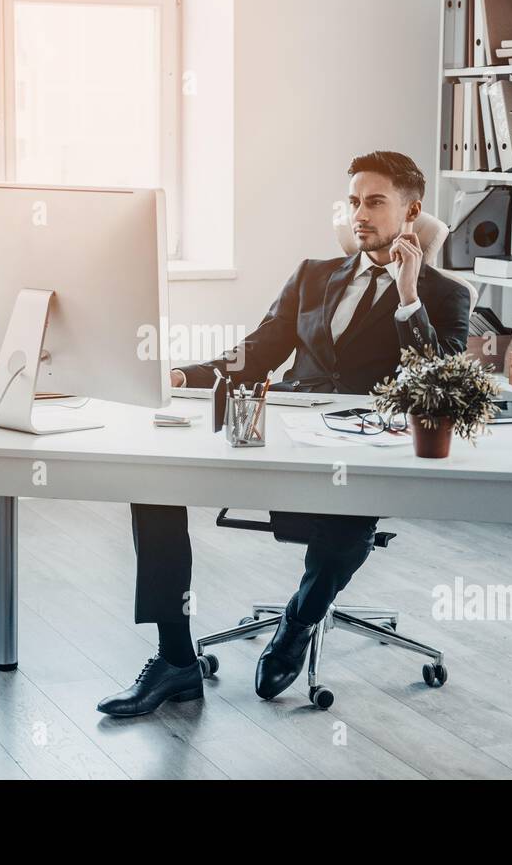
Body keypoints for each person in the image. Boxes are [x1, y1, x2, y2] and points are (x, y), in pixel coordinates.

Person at [97, 151, 471, 717]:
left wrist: (409, 294)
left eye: (374, 202)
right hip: (283, 433)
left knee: (349, 510)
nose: (359, 215)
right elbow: (256, 353)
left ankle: (299, 620)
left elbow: (437, 383)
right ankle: (175, 662)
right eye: (353, 202)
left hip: (365, 446)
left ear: (412, 211)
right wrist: (180, 375)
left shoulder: (445, 296)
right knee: (154, 484)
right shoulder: (314, 275)